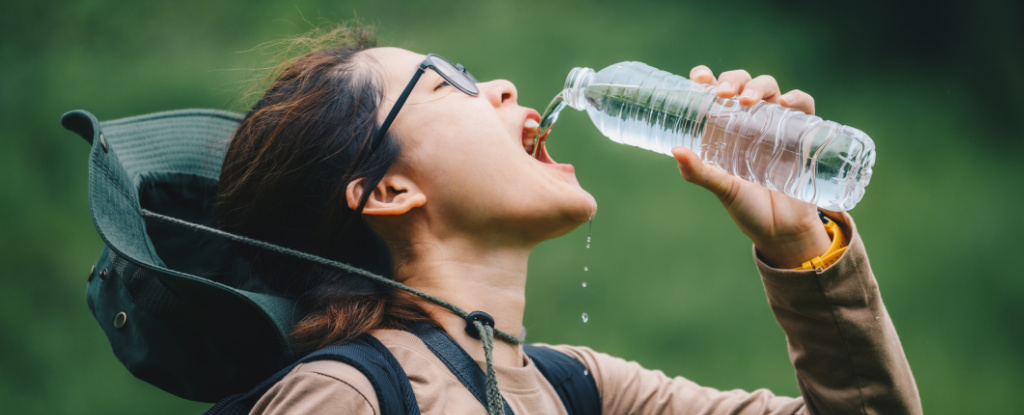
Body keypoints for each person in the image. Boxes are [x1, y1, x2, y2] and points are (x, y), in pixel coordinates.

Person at [216, 25, 921, 415]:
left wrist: (798, 241)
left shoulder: (580, 390)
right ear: (388, 188)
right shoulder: (342, 398)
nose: (500, 86)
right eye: (444, 85)